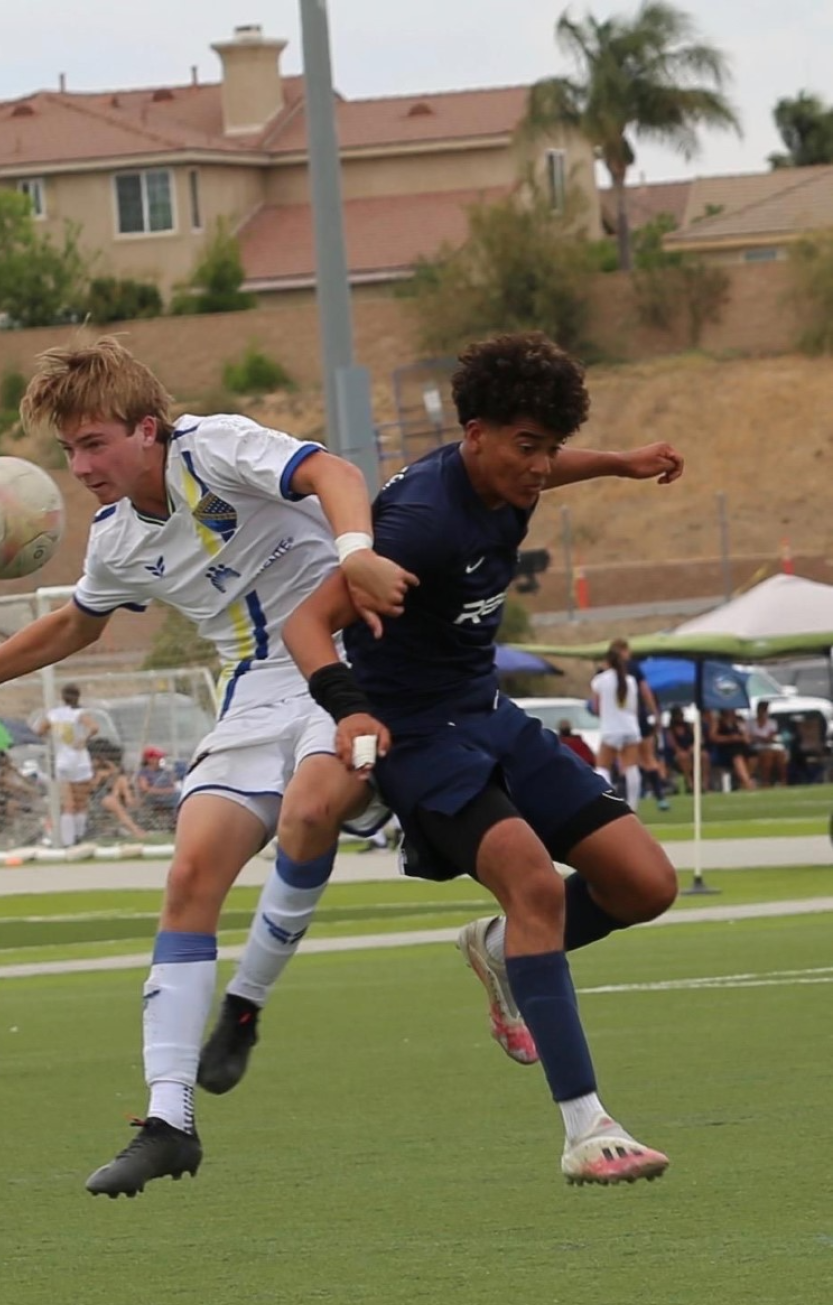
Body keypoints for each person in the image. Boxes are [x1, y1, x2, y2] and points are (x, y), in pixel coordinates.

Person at [0, 335, 414, 1197]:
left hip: (343, 659)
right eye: (69, 451)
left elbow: (335, 473)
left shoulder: (216, 448)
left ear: (146, 429)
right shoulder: (118, 539)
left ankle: (246, 999)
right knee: (188, 876)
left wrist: (354, 549)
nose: (81, 467)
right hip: (251, 694)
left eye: (94, 444)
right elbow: (74, 623)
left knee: (309, 812)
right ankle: (170, 1121)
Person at [284, 332, 682, 1187]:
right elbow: (306, 625)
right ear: (475, 434)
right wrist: (351, 712)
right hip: (418, 736)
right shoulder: (419, 524)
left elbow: (550, 465)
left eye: (549, 447)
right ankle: (587, 1129)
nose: (540, 467)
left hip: (488, 713)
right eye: (527, 447)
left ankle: (502, 949)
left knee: (645, 884)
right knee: (534, 884)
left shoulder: (510, 478)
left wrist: (618, 463)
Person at [34, 683, 98, 846]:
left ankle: (67, 842)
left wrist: (51, 738)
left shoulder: (54, 714)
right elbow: (94, 727)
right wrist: (83, 739)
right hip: (80, 761)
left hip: (63, 761)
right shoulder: (79, 713)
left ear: (62, 697)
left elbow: (39, 730)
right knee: (81, 803)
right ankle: (78, 837)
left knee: (68, 804)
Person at [611, 638, 669, 810]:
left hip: (619, 721)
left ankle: (625, 799)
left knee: (625, 762)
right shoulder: (634, 668)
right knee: (648, 758)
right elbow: (645, 691)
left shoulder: (607, 670)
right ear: (624, 650)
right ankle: (660, 797)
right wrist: (655, 713)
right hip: (638, 719)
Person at [589, 642, 644, 811]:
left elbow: (596, 708)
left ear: (607, 661)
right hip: (630, 727)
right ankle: (633, 806)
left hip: (610, 729)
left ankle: (606, 805)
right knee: (631, 767)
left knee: (602, 767)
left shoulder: (600, 681)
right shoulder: (630, 680)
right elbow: (634, 707)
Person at [707, 708, 755, 791]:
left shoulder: (738, 720)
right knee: (737, 757)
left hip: (740, 746)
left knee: (753, 756)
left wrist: (744, 736)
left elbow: (746, 734)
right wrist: (730, 738)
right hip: (726, 748)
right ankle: (747, 782)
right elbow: (713, 737)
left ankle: (746, 778)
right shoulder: (718, 721)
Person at [664, 705, 708, 793]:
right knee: (683, 757)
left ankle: (704, 784)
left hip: (693, 751)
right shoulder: (669, 730)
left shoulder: (690, 726)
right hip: (678, 755)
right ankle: (690, 783)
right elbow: (673, 745)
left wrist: (694, 747)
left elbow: (700, 739)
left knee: (704, 755)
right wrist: (682, 751)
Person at [746, 701, 788, 786]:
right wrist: (761, 739)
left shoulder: (772, 722)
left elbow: (770, 737)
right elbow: (749, 737)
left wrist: (758, 737)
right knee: (767, 755)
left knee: (780, 755)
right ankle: (766, 781)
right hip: (756, 747)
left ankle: (783, 780)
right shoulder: (750, 723)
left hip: (770, 746)